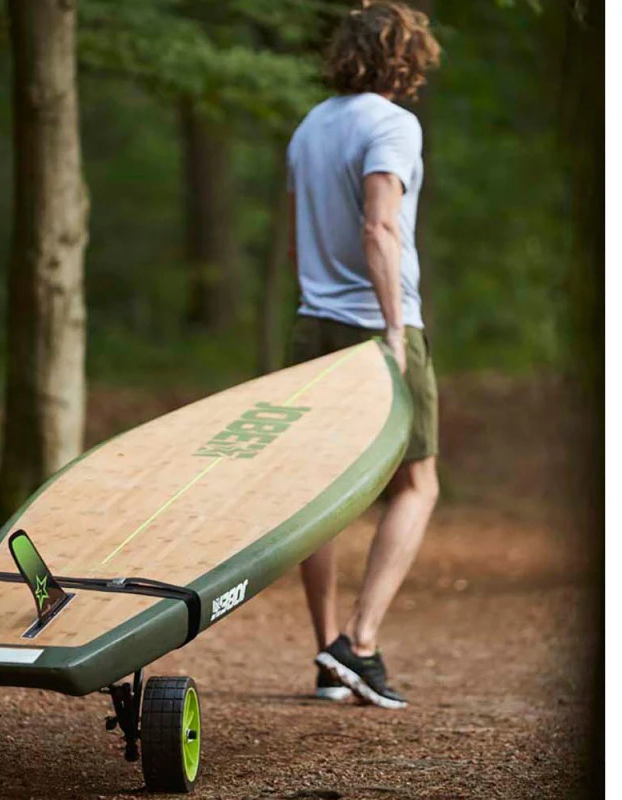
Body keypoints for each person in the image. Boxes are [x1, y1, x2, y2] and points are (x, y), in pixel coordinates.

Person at [286, 1, 442, 708]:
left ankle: (328, 655)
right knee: (416, 485)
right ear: (404, 58)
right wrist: (393, 331)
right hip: (376, 326)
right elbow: (379, 227)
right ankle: (361, 642)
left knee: (318, 491)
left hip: (312, 325)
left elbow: (303, 236)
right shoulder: (392, 124)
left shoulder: (311, 126)